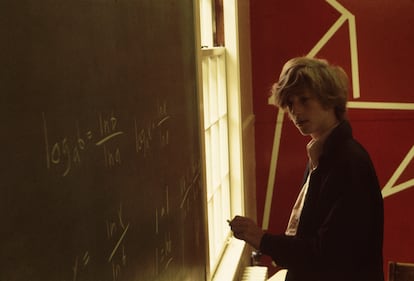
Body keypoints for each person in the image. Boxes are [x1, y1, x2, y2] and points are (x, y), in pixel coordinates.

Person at [229, 57, 384, 281]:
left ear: (329, 99)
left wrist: (262, 240)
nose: (296, 111)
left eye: (304, 100)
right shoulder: (324, 154)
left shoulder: (348, 163)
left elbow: (327, 256)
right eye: (290, 103)